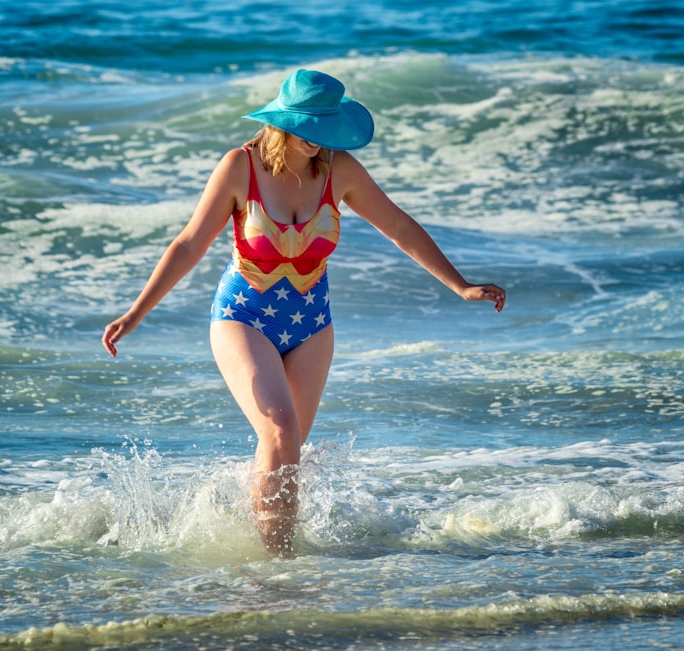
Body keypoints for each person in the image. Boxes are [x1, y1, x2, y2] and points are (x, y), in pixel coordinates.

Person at [102, 69, 506, 555]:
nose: (318, 138)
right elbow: (189, 244)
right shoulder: (240, 167)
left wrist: (459, 285)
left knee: (284, 454)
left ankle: (261, 550)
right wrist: (136, 312)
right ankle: (279, 566)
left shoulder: (341, 170)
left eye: (325, 125)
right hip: (242, 315)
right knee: (280, 431)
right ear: (285, 123)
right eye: (309, 125)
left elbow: (398, 225)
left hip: (313, 325)